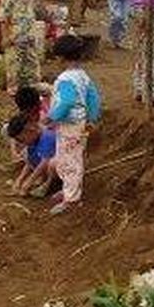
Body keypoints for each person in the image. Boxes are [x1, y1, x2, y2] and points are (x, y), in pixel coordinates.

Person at [46, 34, 101, 215]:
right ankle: (69, 189)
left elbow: (67, 102)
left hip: (69, 127)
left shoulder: (65, 79)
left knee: (69, 162)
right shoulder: (83, 76)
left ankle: (71, 199)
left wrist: (52, 117)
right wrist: (92, 119)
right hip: (79, 125)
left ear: (61, 58)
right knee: (71, 159)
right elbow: (94, 97)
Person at [0, 0, 43, 96]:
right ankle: (13, 90)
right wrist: (6, 37)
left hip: (29, 38)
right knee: (14, 65)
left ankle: (32, 87)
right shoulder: (7, 0)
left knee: (31, 64)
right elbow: (3, 20)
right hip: (14, 39)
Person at [6, 113, 57, 197]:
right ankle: (42, 179)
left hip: (59, 167)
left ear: (30, 130)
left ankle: (48, 184)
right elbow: (29, 162)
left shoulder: (47, 136)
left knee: (52, 164)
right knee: (26, 154)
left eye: (22, 139)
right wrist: (20, 180)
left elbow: (44, 163)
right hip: (44, 166)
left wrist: (29, 182)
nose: (21, 143)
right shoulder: (33, 139)